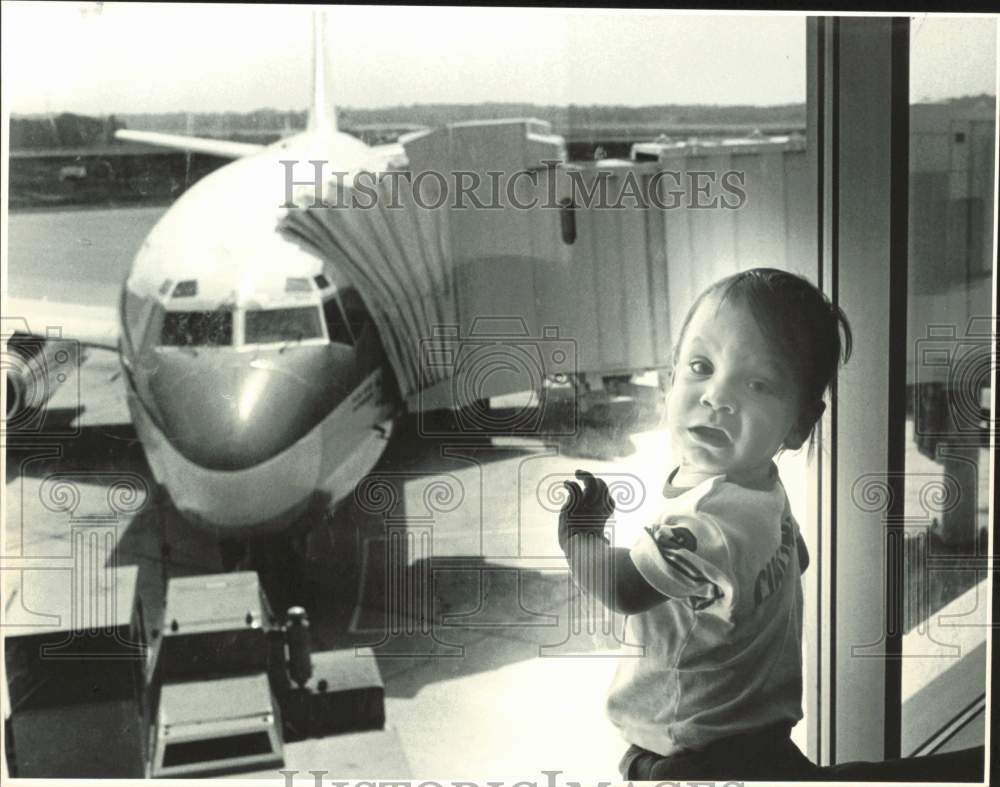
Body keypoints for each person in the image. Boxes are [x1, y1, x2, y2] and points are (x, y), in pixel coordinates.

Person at [558, 267, 850, 780]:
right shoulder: (764, 490)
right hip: (756, 732)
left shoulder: (709, 518)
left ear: (801, 422)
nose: (718, 396)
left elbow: (625, 588)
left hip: (694, 753)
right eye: (700, 365)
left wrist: (579, 536)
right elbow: (795, 559)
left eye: (758, 383)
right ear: (671, 379)